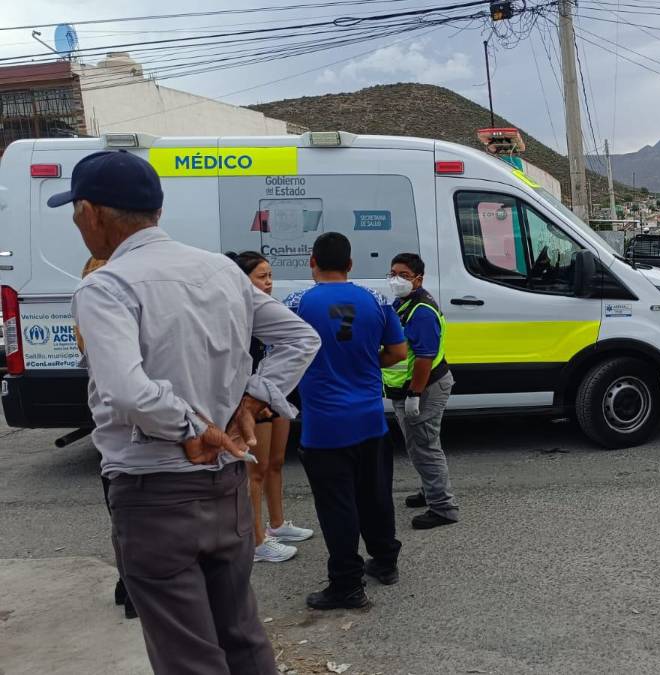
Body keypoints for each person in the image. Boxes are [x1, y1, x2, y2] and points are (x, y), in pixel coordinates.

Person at [52, 150, 320, 674]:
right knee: (242, 636)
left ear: (93, 212)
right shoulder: (219, 269)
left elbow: (127, 390)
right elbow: (299, 338)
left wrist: (193, 429)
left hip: (154, 492)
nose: (77, 222)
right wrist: (255, 399)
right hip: (226, 490)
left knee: (187, 657)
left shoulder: (105, 285)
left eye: (76, 212)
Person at [287, 232, 408, 610]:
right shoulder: (376, 300)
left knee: (337, 506)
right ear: (350, 265)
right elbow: (399, 352)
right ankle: (385, 562)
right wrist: (370, 363)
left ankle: (346, 585)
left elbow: (282, 356)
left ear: (312, 262)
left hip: (324, 425)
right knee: (375, 494)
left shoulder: (297, 303)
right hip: (370, 419)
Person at [226, 251, 314, 563]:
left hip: (277, 395)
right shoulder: (238, 312)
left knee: (276, 463)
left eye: (270, 276)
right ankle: (256, 539)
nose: (269, 283)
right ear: (243, 280)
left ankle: (276, 524)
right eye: (261, 277)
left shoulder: (271, 310)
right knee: (256, 471)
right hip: (253, 400)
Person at [77, 256, 137, 620]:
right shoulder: (105, 315)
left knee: (120, 512)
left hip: (110, 431)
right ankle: (132, 589)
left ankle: (126, 583)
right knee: (129, 514)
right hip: (126, 431)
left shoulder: (88, 313)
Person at [383, 253, 459, 530]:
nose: (396, 279)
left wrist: (415, 394)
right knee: (416, 444)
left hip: (424, 387)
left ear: (418, 278)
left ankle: (443, 507)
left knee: (425, 447)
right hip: (409, 388)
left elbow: (425, 358)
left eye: (403, 275)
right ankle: (430, 490)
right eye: (392, 273)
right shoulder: (403, 303)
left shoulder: (421, 311)